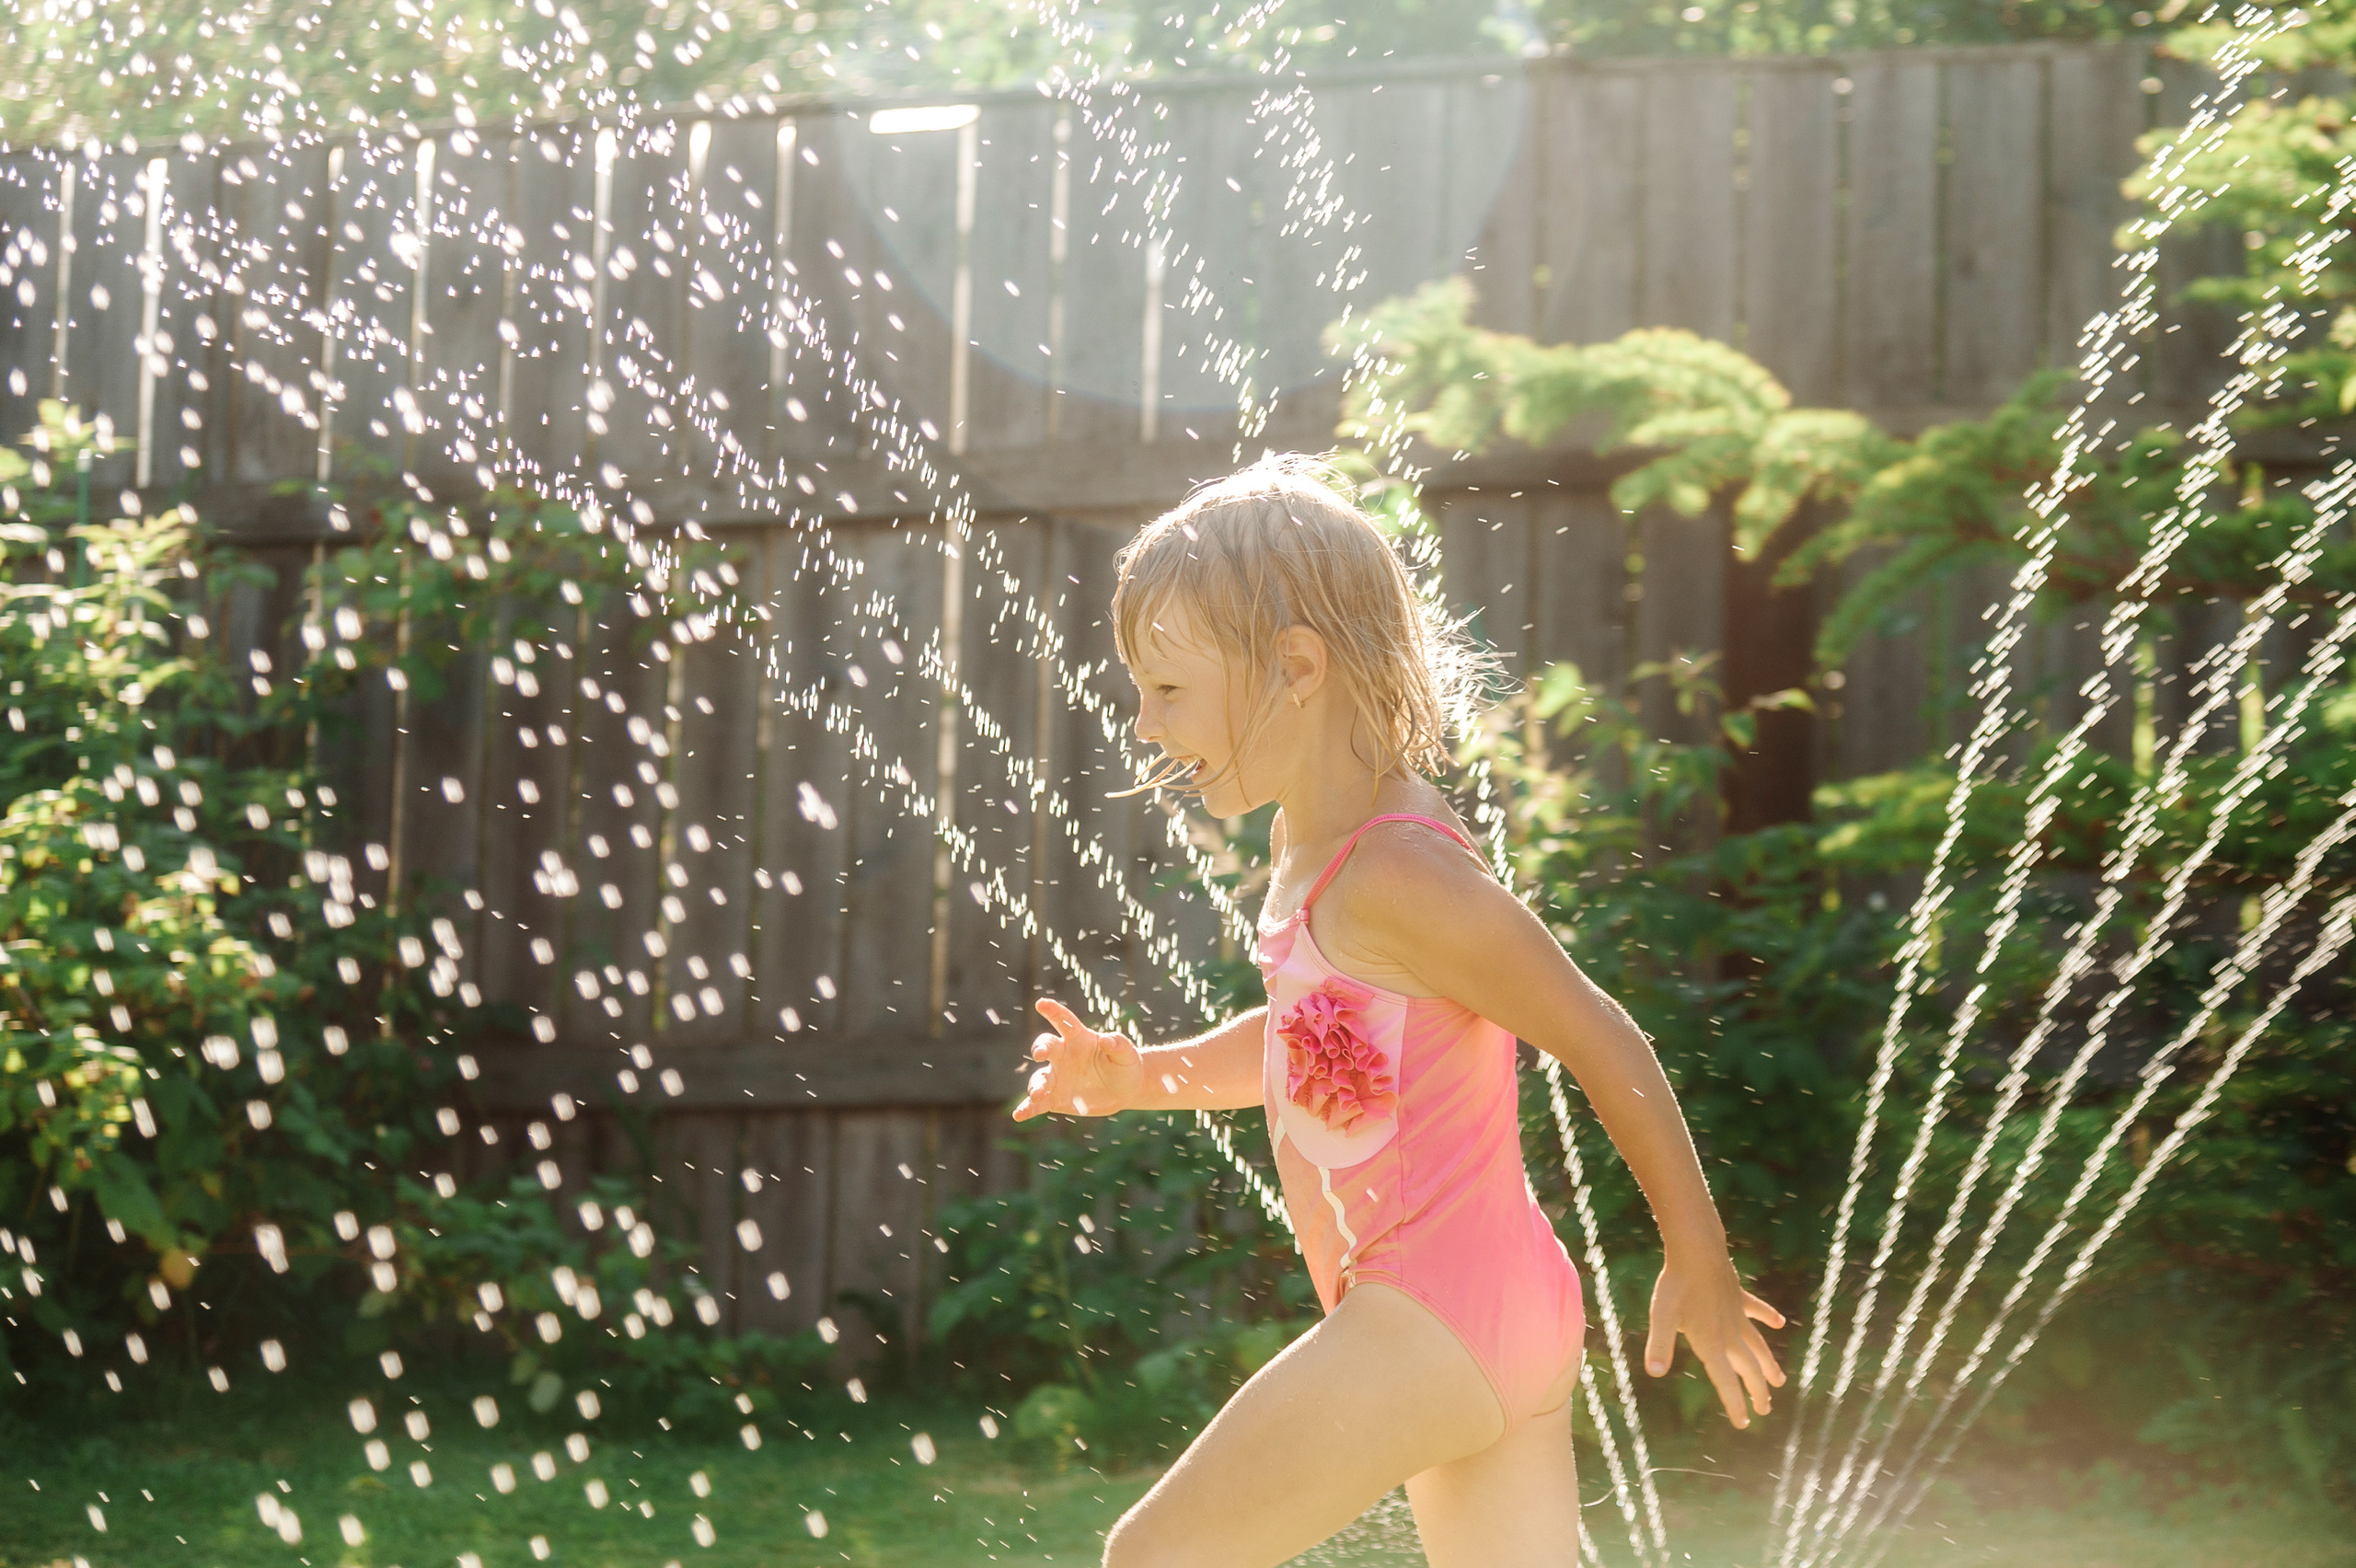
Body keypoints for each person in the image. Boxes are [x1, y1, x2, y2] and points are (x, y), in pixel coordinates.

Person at [1013, 455, 1784, 1568]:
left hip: (1432, 1307)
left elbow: (1598, 1033)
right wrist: (1144, 1077)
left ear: (1295, 667)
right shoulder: (1315, 845)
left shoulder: (1395, 874)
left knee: (1155, 1560)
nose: (1142, 722)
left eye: (1168, 689)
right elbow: (1318, 1042)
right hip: (1484, 1309)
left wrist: (1696, 1256)